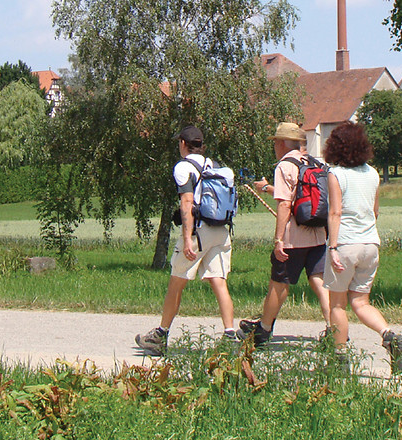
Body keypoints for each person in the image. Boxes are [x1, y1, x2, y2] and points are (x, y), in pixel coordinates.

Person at [136, 125, 237, 355]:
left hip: (199, 232)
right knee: (219, 281)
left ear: (183, 143)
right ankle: (230, 336)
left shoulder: (183, 167)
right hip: (221, 231)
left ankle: (160, 336)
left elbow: (187, 202)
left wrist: (187, 238)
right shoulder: (216, 166)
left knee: (177, 281)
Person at [320, 122, 402, 373]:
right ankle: (389, 336)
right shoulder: (372, 173)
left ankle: (339, 357)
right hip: (370, 243)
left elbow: (335, 212)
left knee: (338, 304)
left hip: (345, 243)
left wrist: (333, 248)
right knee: (361, 302)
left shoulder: (336, 174)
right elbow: (375, 211)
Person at [239, 122, 332, 344]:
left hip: (293, 238)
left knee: (279, 283)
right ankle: (334, 328)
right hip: (318, 234)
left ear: (281, 143)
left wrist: (279, 239)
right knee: (319, 281)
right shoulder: (313, 162)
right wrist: (267, 188)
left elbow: (284, 205)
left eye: (275, 143)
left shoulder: (284, 166)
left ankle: (263, 329)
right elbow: (300, 194)